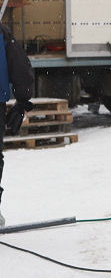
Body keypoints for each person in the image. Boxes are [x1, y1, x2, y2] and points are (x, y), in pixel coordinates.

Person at [0, 23, 34, 227]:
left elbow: (19, 66)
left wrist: (22, 100)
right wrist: (22, 100)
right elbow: (20, 67)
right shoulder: (3, 34)